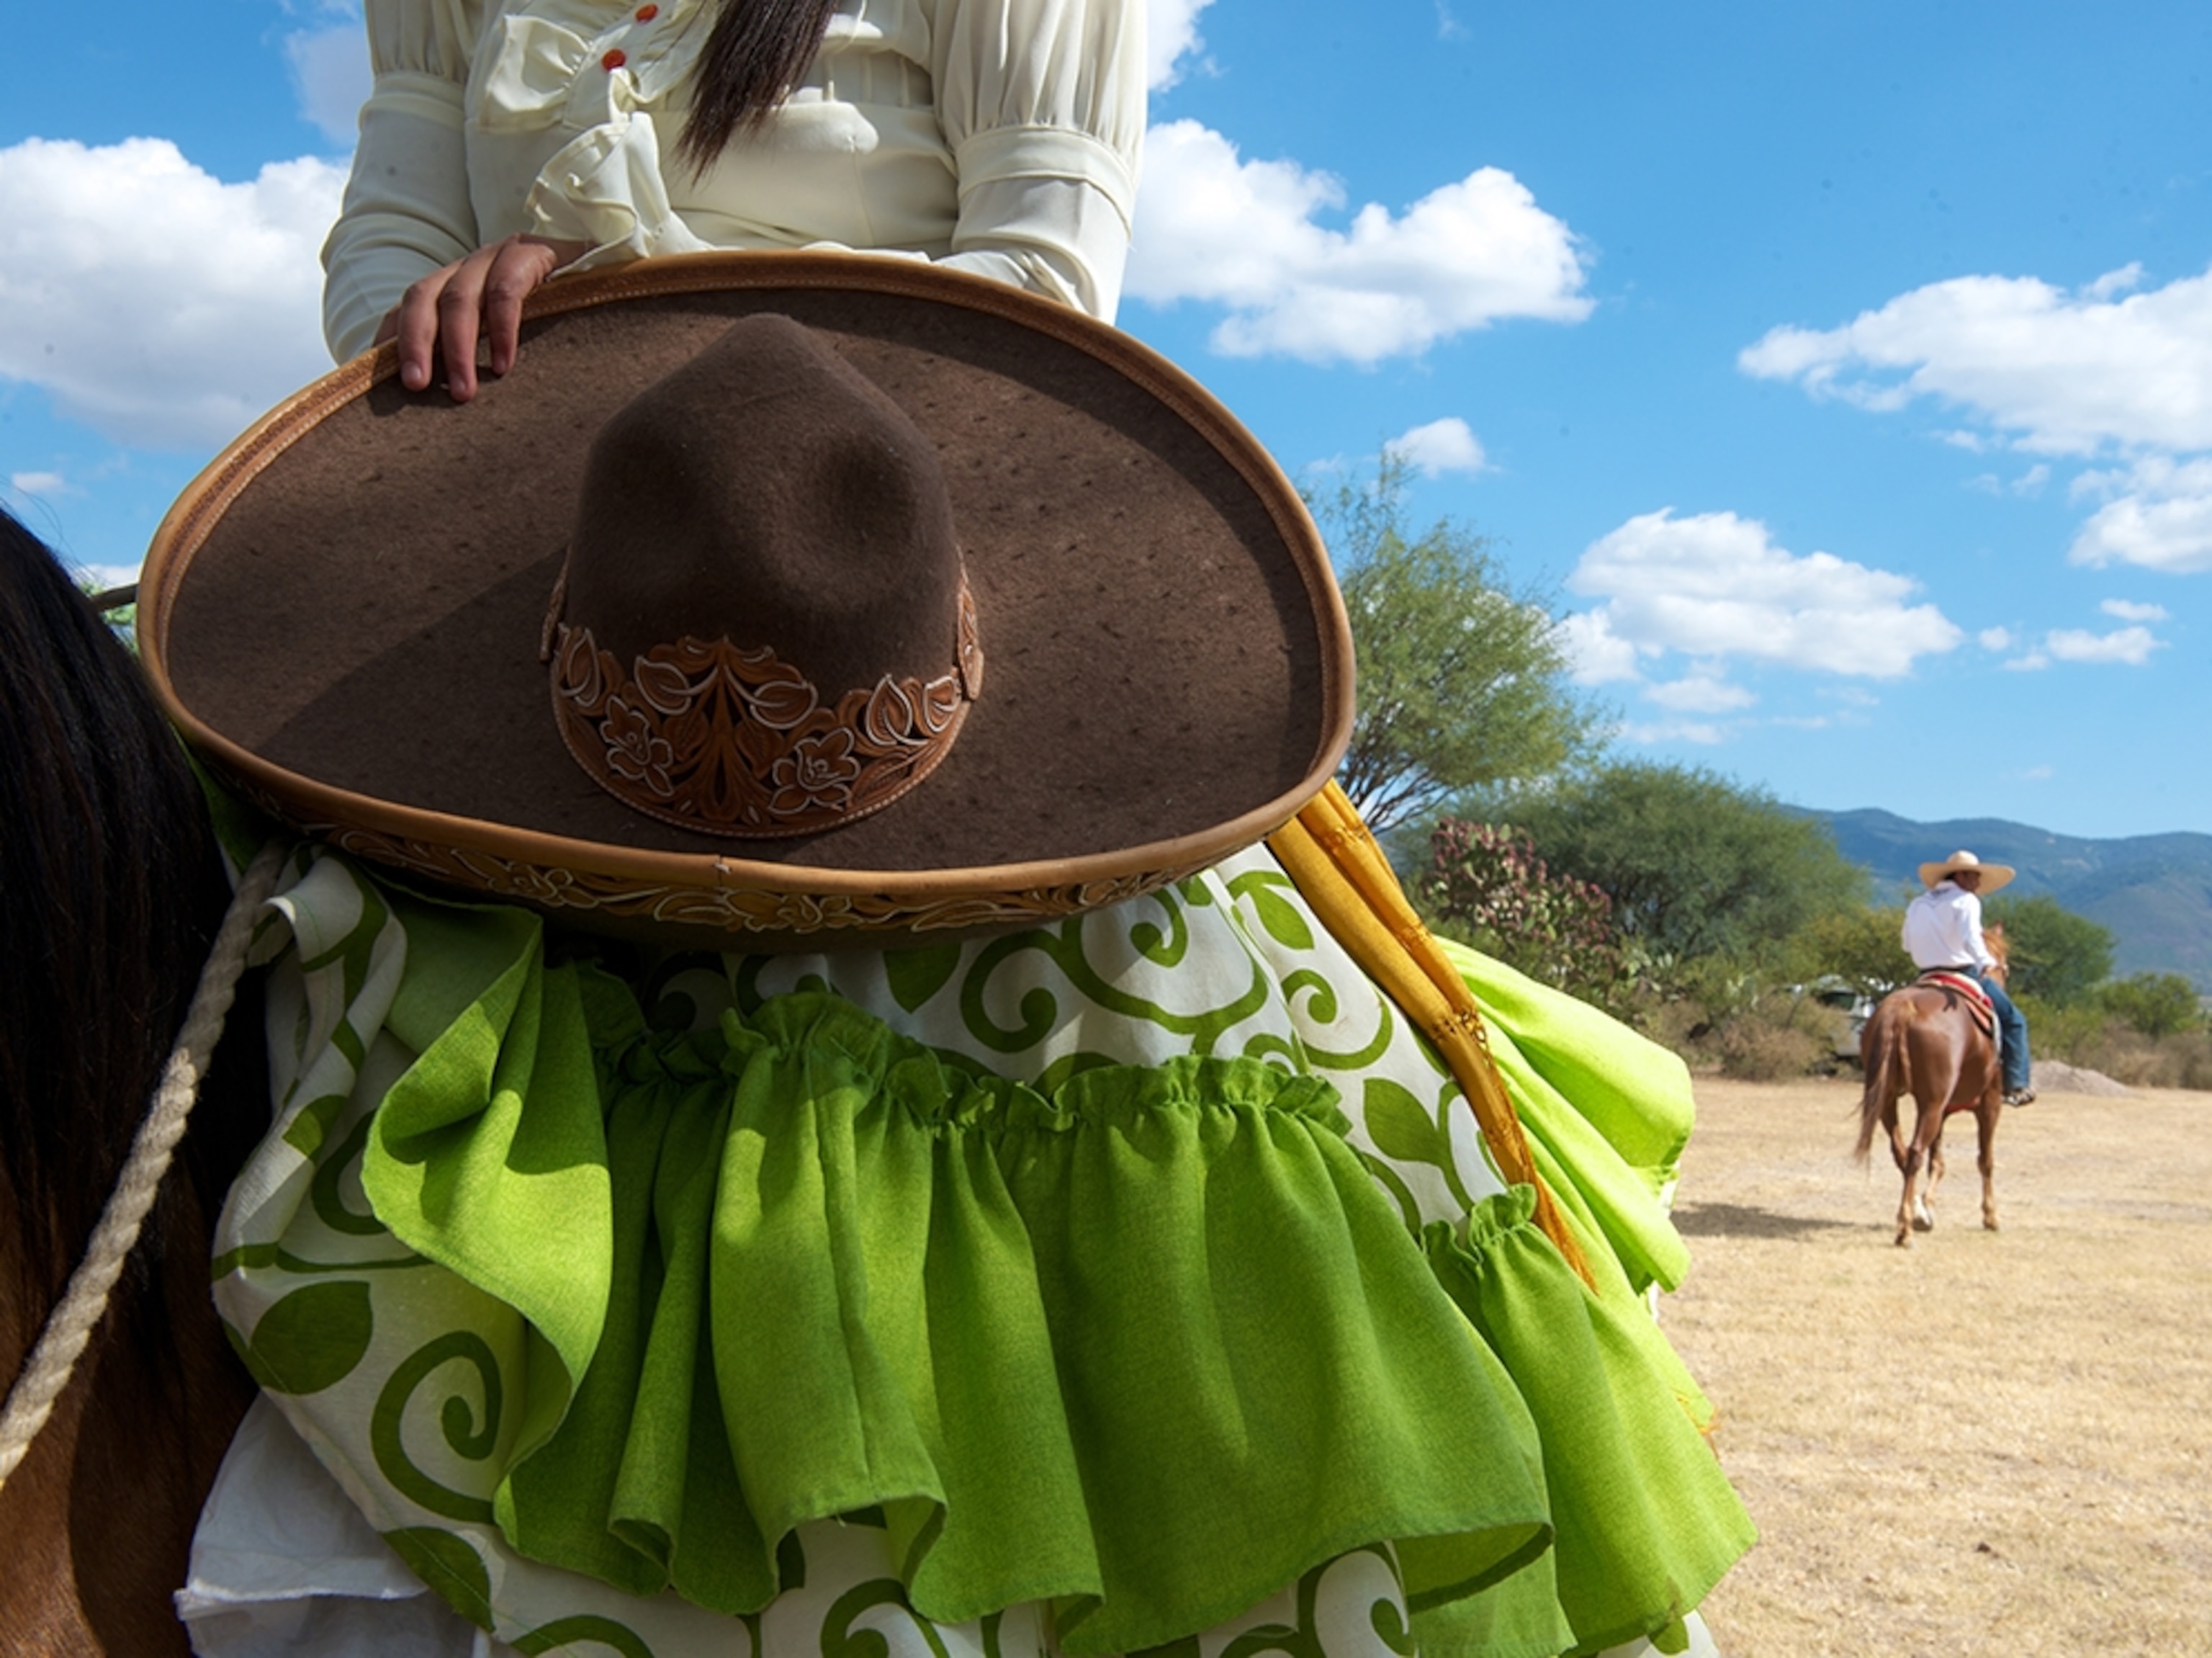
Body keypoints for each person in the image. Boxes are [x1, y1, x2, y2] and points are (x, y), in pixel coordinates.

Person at [161, 3, 1753, 1654]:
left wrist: (733, 399)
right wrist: (473, 334)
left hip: (916, 624)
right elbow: (389, 257)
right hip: (547, 598)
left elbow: (1045, 283)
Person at [1902, 849, 2034, 1106]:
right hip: (1961, 972)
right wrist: (1987, 961)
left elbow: (1907, 944)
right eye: (1975, 876)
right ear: (1960, 875)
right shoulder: (1966, 900)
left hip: (1925, 974)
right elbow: (1971, 937)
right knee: (2014, 1020)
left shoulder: (1918, 903)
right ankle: (2016, 1084)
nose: (1978, 883)